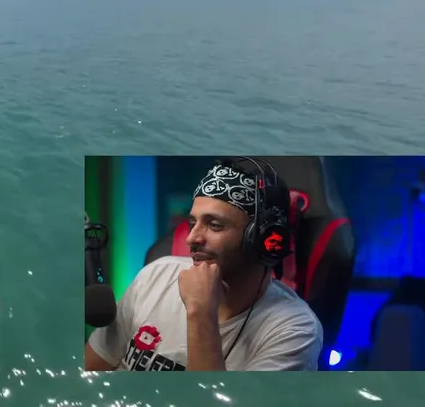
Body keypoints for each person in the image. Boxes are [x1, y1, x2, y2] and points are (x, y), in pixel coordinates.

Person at [85, 159, 322, 371]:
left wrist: (200, 312)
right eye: (192, 223)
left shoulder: (294, 331)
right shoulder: (156, 275)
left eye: (214, 225)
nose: (191, 238)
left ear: (260, 240)